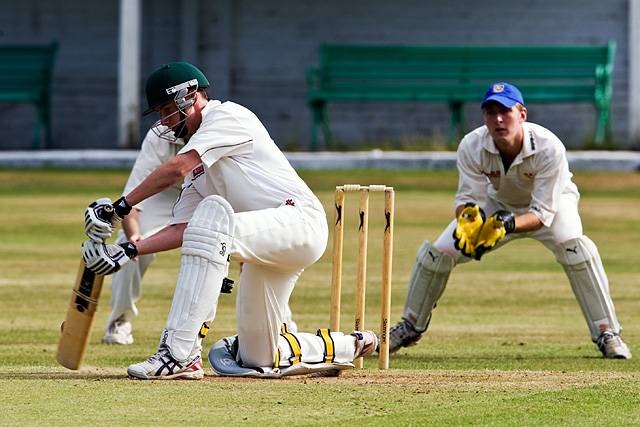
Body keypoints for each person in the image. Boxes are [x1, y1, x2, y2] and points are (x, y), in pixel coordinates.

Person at [81, 61, 377, 379]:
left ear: (189, 97)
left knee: (211, 227)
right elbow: (181, 229)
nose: (164, 121)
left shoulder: (226, 117)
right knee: (259, 356)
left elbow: (176, 169)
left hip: (300, 222)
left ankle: (179, 354)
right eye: (159, 114)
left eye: (167, 110)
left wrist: (120, 207)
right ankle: (350, 344)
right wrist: (127, 252)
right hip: (263, 248)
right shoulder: (198, 169)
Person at [387, 82, 631, 359]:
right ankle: (409, 325)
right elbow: (468, 199)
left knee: (577, 249)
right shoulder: (472, 144)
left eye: (505, 111)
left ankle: (607, 333)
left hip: (553, 203)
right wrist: (468, 222)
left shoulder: (549, 147)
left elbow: (542, 213)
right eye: (491, 112)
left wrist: (507, 225)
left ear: (522, 114)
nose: (498, 119)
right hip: (497, 204)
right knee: (437, 253)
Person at [101, 129, 298, 345]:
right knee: (127, 245)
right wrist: (134, 238)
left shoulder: (218, 127)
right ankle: (119, 321)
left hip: (218, 193)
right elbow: (132, 200)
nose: (166, 120)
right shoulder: (160, 136)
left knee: (256, 250)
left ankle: (282, 326)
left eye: (169, 111)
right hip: (167, 195)